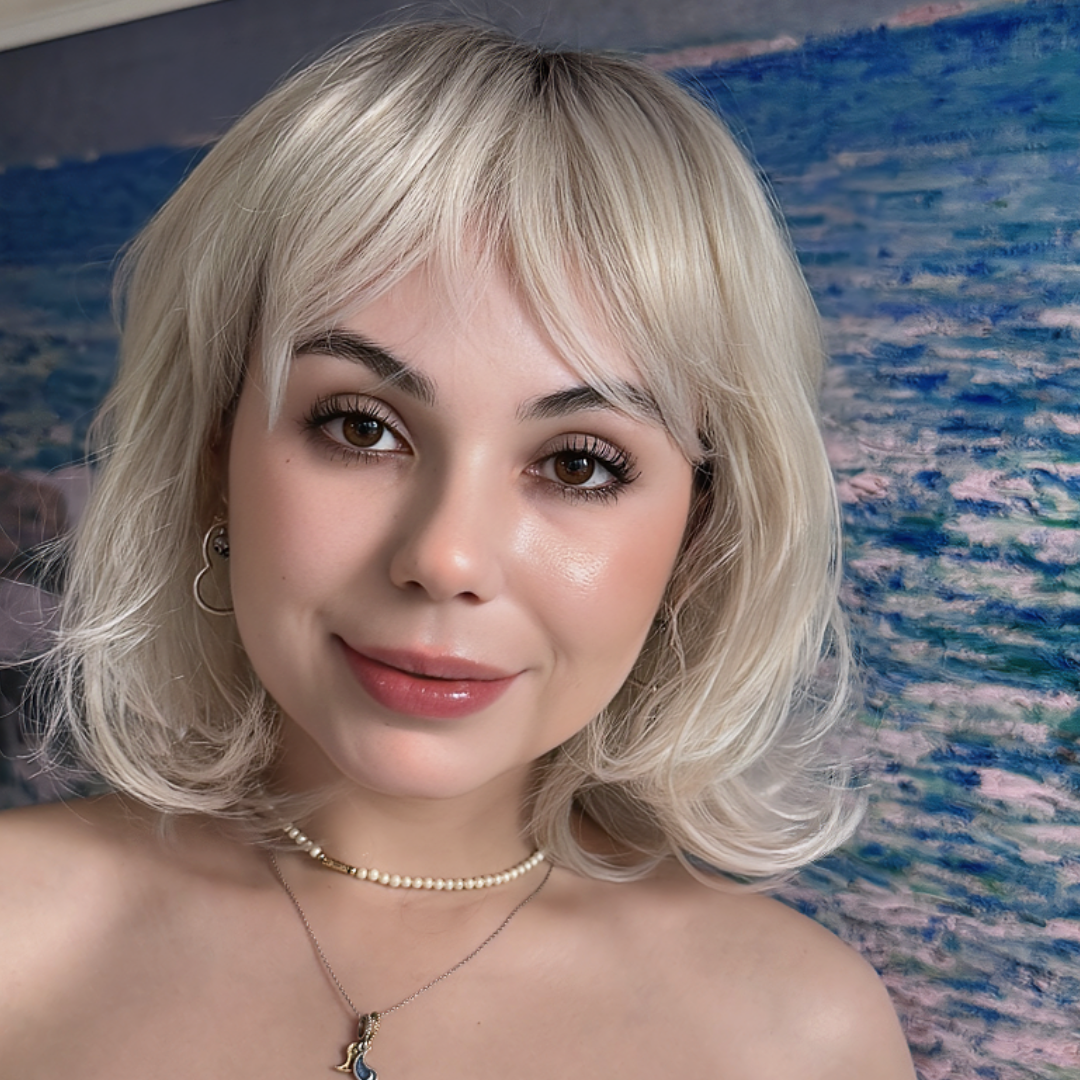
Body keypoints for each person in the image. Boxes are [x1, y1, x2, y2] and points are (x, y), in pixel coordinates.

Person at [0, 22, 915, 1078]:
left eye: (577, 463)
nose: (446, 559)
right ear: (216, 454)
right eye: (361, 427)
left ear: (698, 533)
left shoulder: (800, 1039)